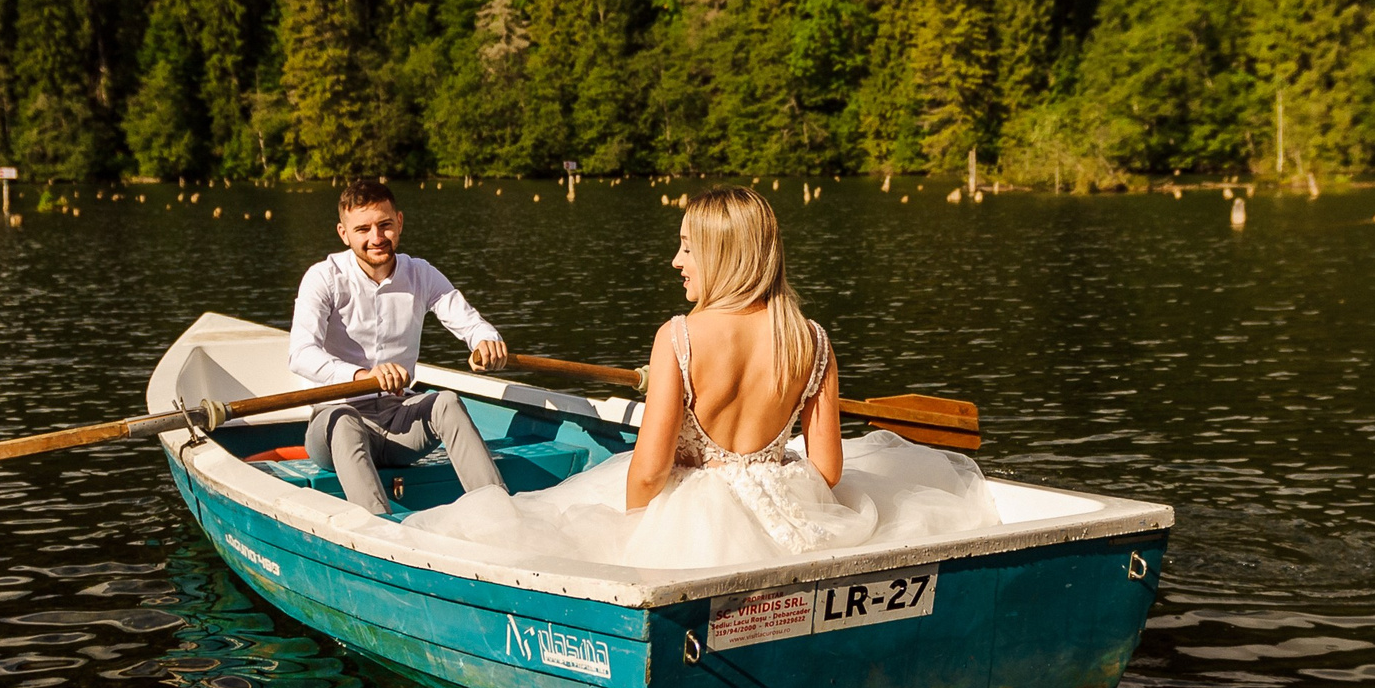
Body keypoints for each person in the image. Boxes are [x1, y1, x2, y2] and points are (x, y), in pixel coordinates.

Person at [398, 186, 997, 569]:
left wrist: (629, 527)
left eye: (687, 249)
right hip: (789, 500)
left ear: (721, 257)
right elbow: (829, 470)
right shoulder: (811, 339)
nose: (676, 261)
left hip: (693, 517)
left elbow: (652, 469)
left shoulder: (679, 336)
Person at [288, 176, 511, 516]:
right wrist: (364, 375)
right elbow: (301, 354)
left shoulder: (420, 273)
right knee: (345, 418)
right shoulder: (323, 277)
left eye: (385, 225)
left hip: (398, 425)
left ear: (400, 223)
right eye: (362, 229)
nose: (376, 238)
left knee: (446, 402)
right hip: (334, 425)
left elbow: (470, 322)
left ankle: (500, 513)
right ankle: (380, 529)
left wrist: (487, 341)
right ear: (343, 233)